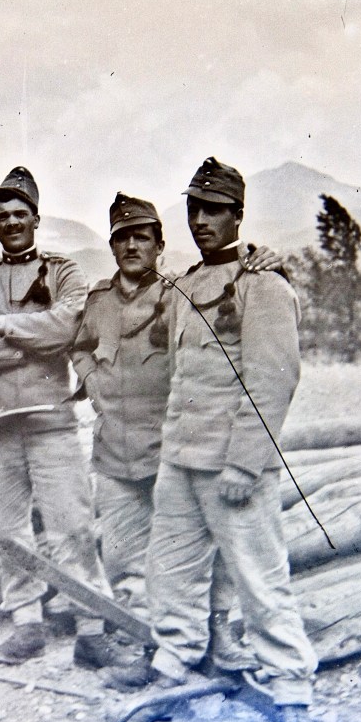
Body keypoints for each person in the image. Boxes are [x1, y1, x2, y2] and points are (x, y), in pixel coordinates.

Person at [72, 192, 283, 683]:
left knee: (203, 550)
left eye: (140, 237)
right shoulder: (98, 301)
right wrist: (90, 380)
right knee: (127, 558)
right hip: (115, 454)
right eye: (121, 238)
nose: (130, 246)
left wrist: (269, 260)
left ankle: (219, 632)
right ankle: (147, 642)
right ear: (111, 245)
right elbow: (80, 346)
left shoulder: (184, 294)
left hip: (172, 451)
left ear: (159, 244)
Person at [138, 158, 317, 722]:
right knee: (171, 572)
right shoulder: (185, 285)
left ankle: (290, 689)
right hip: (182, 459)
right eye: (193, 209)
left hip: (232, 467)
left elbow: (273, 379)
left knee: (261, 579)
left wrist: (245, 463)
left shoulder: (262, 284)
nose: (200, 220)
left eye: (213, 210)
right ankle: (176, 665)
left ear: (238, 215)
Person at [0, 167, 118, 668]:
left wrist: (3, 325)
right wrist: (34, 343)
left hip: (51, 422)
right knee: (9, 530)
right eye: (1, 216)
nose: (11, 223)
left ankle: (92, 627)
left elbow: (67, 326)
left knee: (71, 525)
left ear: (36, 218)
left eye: (19, 214)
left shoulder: (64, 272)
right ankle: (26, 624)